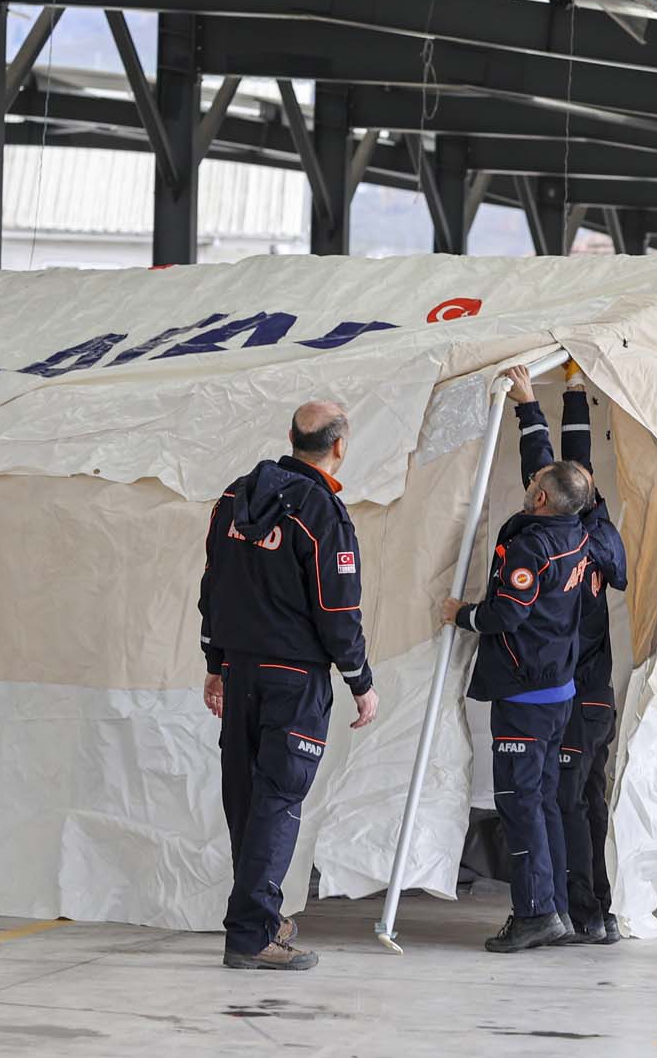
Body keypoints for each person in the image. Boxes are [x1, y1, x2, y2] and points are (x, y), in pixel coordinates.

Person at [200, 401, 379, 971]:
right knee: (277, 802)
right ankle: (252, 934)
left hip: (240, 671)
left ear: (291, 438)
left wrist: (215, 662)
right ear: (339, 446)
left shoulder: (234, 497)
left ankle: (259, 918)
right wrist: (361, 681)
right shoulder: (322, 511)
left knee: (247, 801)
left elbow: (213, 586)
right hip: (294, 678)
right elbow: (337, 607)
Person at [441, 456, 596, 953]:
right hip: (558, 689)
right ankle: (557, 910)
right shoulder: (577, 534)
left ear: (542, 498)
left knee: (521, 804)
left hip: (526, 692)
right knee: (544, 801)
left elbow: (506, 613)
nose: (528, 482)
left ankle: (534, 914)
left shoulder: (533, 545)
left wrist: (462, 615)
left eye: (533, 481)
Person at [506, 364, 629, 945]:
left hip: (574, 693)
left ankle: (584, 913)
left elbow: (553, 470)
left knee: (568, 803)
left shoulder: (557, 538)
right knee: (583, 799)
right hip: (595, 694)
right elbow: (573, 470)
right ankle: (594, 911)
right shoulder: (597, 531)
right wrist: (572, 391)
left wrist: (529, 403)